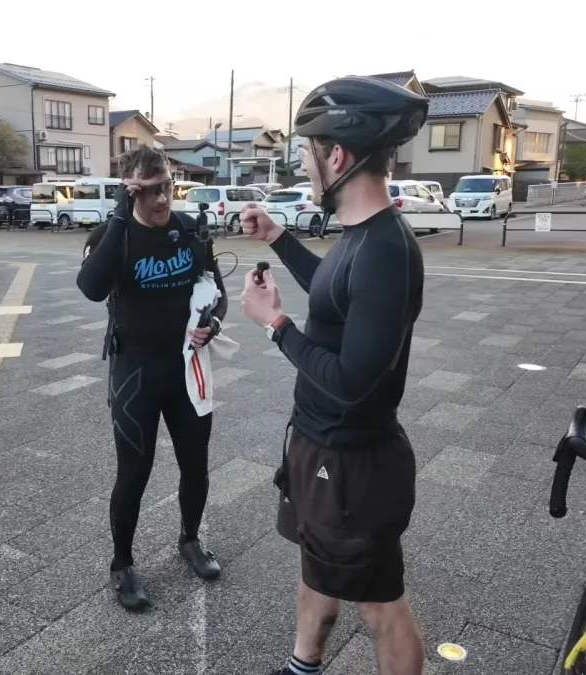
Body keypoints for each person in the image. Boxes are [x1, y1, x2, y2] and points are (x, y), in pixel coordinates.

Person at [238, 77, 429, 675]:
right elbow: (333, 290)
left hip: (354, 466)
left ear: (337, 157)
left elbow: (352, 382)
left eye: (307, 156)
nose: (304, 168)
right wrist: (278, 238)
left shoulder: (385, 250)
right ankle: (303, 666)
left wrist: (276, 326)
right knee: (315, 569)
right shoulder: (361, 239)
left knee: (381, 606)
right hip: (318, 446)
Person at [76, 146, 228, 611]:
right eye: (151, 191)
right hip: (135, 373)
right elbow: (91, 288)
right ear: (131, 190)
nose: (164, 199)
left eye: (168, 187)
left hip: (183, 368)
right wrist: (122, 214)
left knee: (195, 464)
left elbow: (217, 291)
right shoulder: (113, 234)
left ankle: (190, 538)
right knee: (134, 473)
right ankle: (122, 564)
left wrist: (214, 323)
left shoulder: (188, 230)